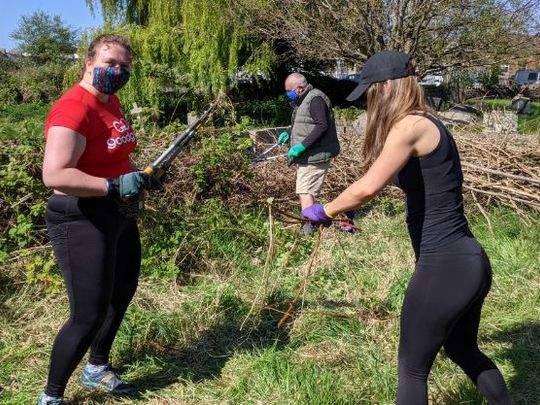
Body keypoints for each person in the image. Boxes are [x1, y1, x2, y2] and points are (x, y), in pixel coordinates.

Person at [301, 51, 512, 404]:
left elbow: (368, 186)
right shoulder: (425, 123)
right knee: (462, 350)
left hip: (445, 265)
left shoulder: (410, 126)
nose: (369, 98)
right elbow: (411, 182)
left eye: (371, 90)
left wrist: (326, 209)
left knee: (412, 370)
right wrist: (349, 211)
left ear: (386, 86)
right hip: (465, 261)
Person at [38, 34, 159, 405]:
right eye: (110, 62)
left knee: (120, 294)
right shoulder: (74, 108)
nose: (117, 71)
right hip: (80, 216)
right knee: (86, 315)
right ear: (89, 63)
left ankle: (96, 368)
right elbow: (55, 175)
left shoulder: (112, 102)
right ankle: (52, 396)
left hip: (115, 212)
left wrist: (140, 175)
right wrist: (113, 185)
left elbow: (116, 157)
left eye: (124, 66)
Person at [277, 73, 341, 235]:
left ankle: (308, 227)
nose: (288, 94)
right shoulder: (303, 100)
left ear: (299, 88)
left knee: (304, 190)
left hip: (315, 154)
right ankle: (316, 221)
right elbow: (305, 124)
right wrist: (288, 134)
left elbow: (321, 126)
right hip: (309, 154)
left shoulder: (315, 99)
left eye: (289, 90)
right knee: (307, 191)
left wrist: (300, 147)